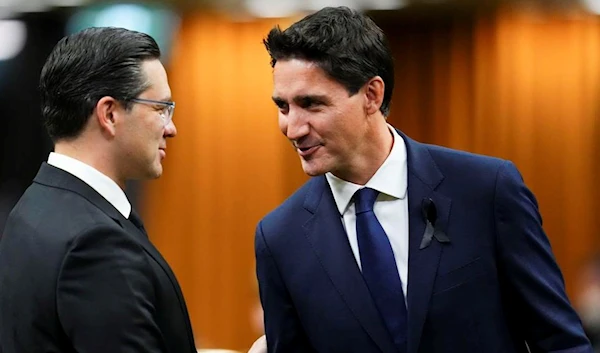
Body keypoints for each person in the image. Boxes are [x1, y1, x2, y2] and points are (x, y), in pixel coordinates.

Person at [254, 6, 592, 353]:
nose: (292, 128)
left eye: (311, 104)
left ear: (372, 95)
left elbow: (560, 343)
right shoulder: (280, 238)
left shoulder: (486, 190)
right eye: (283, 107)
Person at [0, 27, 266, 353]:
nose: (172, 128)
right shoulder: (94, 242)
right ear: (109, 114)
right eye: (161, 108)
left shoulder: (33, 207)